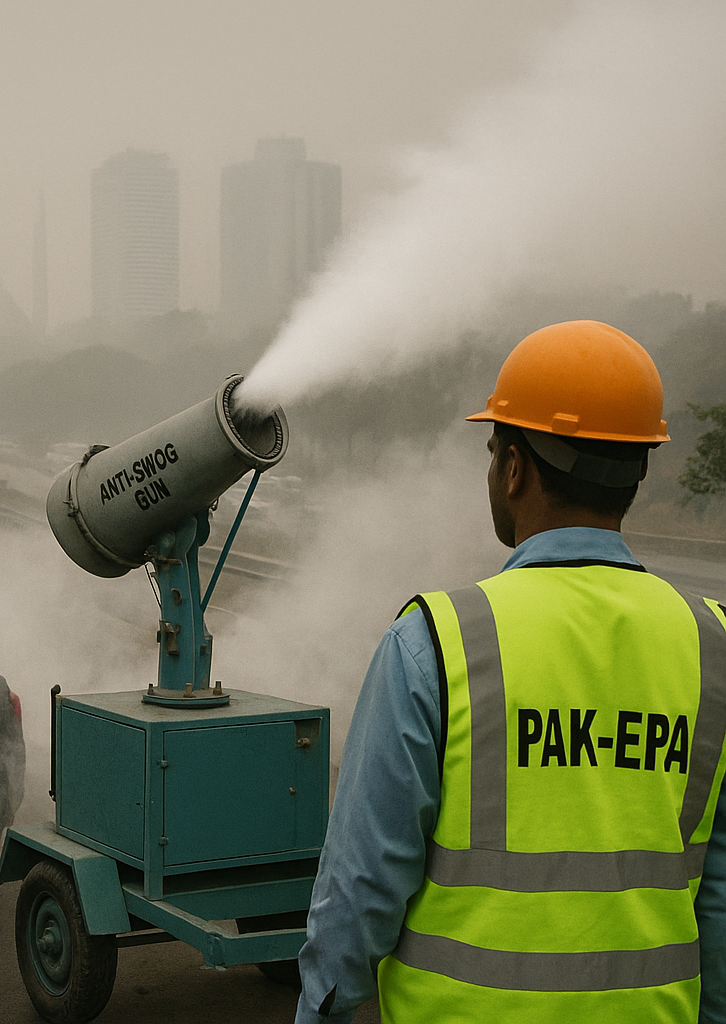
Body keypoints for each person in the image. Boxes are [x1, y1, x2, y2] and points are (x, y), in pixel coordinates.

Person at [294, 321, 726, 1023]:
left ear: (515, 468)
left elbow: (357, 894)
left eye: (494, 449)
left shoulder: (434, 644)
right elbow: (719, 900)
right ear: (640, 471)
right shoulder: (712, 646)